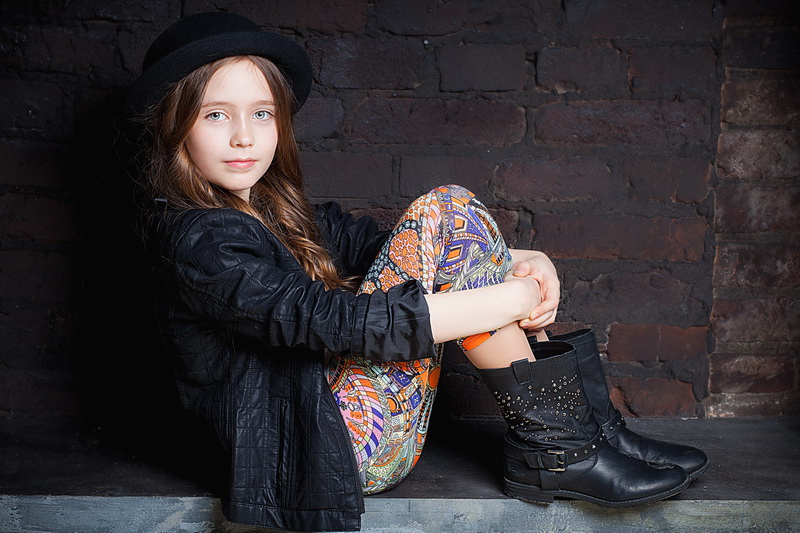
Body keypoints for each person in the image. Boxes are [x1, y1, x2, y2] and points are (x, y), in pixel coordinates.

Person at [124, 12, 708, 532]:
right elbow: (335, 322)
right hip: (323, 453)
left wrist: (523, 260)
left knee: (449, 215)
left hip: (338, 432)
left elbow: (403, 248)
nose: (244, 136)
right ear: (174, 124)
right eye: (216, 115)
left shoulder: (277, 213)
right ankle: (562, 448)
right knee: (446, 208)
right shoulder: (198, 239)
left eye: (261, 113)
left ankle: (586, 434)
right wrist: (512, 298)